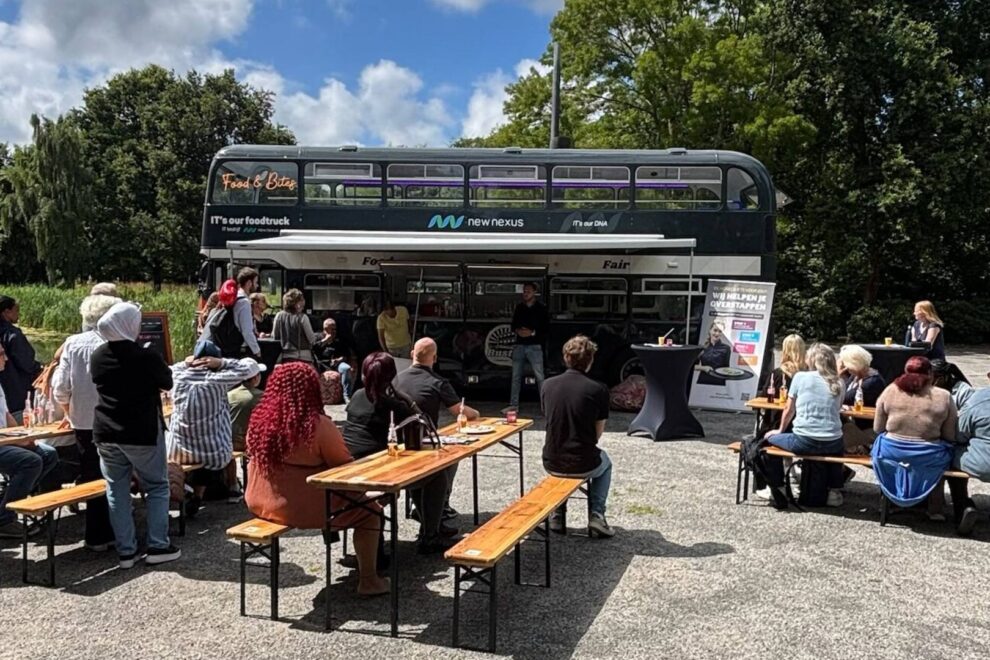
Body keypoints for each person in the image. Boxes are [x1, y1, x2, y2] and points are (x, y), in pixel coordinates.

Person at [245, 362, 388, 595]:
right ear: (312, 389)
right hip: (303, 509)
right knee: (371, 513)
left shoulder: (259, 422)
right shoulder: (318, 426)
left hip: (260, 502)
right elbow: (344, 469)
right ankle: (369, 580)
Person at [91, 302, 180, 568]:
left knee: (116, 490)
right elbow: (167, 382)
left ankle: (126, 552)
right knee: (156, 486)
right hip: (140, 430)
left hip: (105, 430)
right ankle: (157, 545)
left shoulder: (98, 356)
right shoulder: (146, 356)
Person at [343, 352, 455, 553]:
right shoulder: (394, 406)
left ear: (363, 375)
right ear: (392, 375)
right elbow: (422, 429)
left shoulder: (356, 398)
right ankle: (430, 535)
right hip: (379, 474)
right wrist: (405, 398)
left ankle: (427, 525)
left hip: (351, 468)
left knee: (417, 471)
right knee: (434, 474)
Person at [51, 293, 121, 550]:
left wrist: (71, 413)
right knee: (115, 476)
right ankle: (118, 532)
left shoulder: (72, 343)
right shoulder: (115, 343)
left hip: (82, 423)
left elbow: (60, 388)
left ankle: (97, 535)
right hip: (113, 421)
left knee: (92, 476)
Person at [166, 340, 257, 516]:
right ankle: (202, 493)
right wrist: (222, 363)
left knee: (193, 440)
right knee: (211, 445)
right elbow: (250, 367)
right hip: (214, 453)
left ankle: (191, 493)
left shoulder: (178, 376)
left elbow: (171, 368)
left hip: (177, 451)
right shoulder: (218, 380)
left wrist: (186, 362)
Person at [394, 337, 479, 520]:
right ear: (434, 358)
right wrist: (477, 414)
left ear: (411, 355)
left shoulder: (397, 380)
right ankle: (442, 504)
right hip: (423, 440)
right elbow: (460, 411)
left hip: (397, 440)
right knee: (453, 456)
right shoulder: (437, 381)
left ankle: (425, 505)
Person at [541, 335, 614, 538]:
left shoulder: (547, 385)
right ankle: (597, 514)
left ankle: (558, 515)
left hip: (552, 461)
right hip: (584, 462)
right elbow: (597, 434)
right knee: (606, 464)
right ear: (590, 360)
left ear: (565, 357)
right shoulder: (598, 389)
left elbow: (550, 420)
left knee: (559, 460)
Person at [762, 343, 846, 509]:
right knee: (837, 444)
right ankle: (834, 491)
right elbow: (836, 408)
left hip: (804, 441)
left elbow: (789, 408)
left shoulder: (800, 377)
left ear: (812, 360)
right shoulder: (840, 382)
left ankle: (777, 486)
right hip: (833, 442)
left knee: (767, 440)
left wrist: (779, 430)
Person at [873, 356, 957, 520]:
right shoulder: (944, 396)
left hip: (891, 452)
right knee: (944, 455)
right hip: (927, 455)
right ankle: (935, 510)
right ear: (930, 374)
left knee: (881, 447)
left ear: (905, 372)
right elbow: (949, 435)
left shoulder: (890, 390)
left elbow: (878, 428)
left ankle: (887, 501)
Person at [0, 343, 59, 538]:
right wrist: (17, 441)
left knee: (48, 454)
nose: (6, 359)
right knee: (30, 461)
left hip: (6, 440)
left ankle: (17, 498)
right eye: (2, 354)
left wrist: (22, 435)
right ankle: (4, 519)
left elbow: (6, 415)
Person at [948, 387, 990, 535]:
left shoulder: (978, 399)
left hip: (983, 463)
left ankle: (962, 509)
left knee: (951, 457)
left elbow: (960, 435)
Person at [201, 267, 261, 359]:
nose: (257, 286)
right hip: (232, 350)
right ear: (249, 283)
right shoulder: (244, 302)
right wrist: (257, 351)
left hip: (218, 346)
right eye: (256, 282)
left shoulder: (232, 297)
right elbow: (247, 331)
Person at [837, 344, 887, 454]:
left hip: (867, 429)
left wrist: (837, 375)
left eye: (845, 364)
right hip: (854, 424)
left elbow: (842, 398)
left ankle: (846, 467)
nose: (845, 367)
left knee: (831, 442)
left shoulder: (871, 382)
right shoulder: (857, 376)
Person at [0, 295, 41, 424]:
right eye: (16, 310)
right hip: (16, 396)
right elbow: (27, 363)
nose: (18, 314)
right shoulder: (13, 334)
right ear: (6, 312)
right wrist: (41, 369)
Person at [756, 333, 806, 438]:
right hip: (802, 422)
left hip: (777, 422)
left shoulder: (777, 374)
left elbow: (764, 397)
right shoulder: (809, 374)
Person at [508, 282, 548, 412]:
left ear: (534, 293)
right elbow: (513, 325)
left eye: (528, 291)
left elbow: (545, 327)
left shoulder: (541, 308)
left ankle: (544, 406)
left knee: (540, 376)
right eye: (524, 291)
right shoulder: (519, 307)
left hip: (535, 345)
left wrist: (532, 332)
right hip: (519, 344)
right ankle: (514, 405)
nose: (525, 294)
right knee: (515, 376)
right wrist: (518, 331)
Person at [313, 317, 355, 402]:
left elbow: (346, 355)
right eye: (331, 329)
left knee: (346, 368)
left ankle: (346, 395)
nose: (334, 331)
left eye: (335, 329)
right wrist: (324, 341)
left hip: (337, 364)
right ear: (325, 329)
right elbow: (313, 349)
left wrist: (339, 360)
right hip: (321, 364)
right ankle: (314, 396)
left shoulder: (339, 339)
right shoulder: (317, 337)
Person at [273, 288, 316, 364]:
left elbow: (275, 336)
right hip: (303, 357)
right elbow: (312, 339)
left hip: (285, 357)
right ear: (297, 303)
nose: (304, 303)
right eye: (302, 300)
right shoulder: (303, 318)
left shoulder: (278, 316)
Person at [694, 322, 732, 386]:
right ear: (710, 331)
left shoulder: (726, 348)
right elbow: (693, 366)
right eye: (715, 330)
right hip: (703, 381)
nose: (717, 333)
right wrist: (704, 368)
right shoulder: (702, 347)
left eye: (720, 331)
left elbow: (726, 367)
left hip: (719, 382)